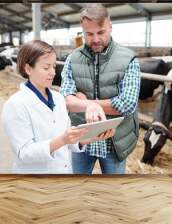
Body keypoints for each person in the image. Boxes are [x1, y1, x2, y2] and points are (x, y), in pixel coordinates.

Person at [2, 40, 113, 174]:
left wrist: (91, 138)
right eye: (46, 67)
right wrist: (62, 140)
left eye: (54, 67)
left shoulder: (58, 98)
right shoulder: (16, 105)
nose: (53, 73)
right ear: (28, 69)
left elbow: (68, 140)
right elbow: (24, 153)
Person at [60, 4, 141, 174]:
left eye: (101, 32)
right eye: (89, 34)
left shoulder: (129, 59)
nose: (95, 39)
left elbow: (127, 104)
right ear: (82, 32)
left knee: (112, 193)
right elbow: (66, 101)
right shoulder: (72, 59)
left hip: (115, 140)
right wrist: (90, 106)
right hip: (81, 138)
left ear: (110, 27)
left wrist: (84, 102)